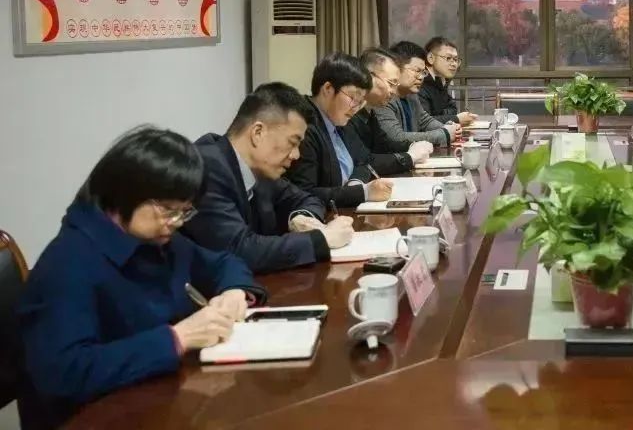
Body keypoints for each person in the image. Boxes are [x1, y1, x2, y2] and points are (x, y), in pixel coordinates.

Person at [18, 127, 264, 429]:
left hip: (160, 398)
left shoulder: (156, 238)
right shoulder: (68, 263)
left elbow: (222, 263)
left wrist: (234, 291)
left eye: (185, 212)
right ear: (126, 192)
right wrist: (177, 339)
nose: (176, 222)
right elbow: (66, 373)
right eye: (168, 210)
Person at [182, 82, 355, 274]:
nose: (296, 155)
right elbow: (238, 250)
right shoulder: (206, 168)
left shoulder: (260, 169)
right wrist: (321, 239)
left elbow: (307, 198)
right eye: (293, 143)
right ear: (258, 132)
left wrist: (301, 217)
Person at [285, 52, 394, 208]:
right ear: (328, 88)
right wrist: (362, 192)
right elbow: (304, 193)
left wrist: (355, 182)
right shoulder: (304, 126)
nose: (356, 108)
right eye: (353, 98)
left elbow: (364, 161)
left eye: (361, 101)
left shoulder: (339, 118)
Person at [348, 47, 434, 177]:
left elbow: (386, 145)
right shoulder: (348, 113)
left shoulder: (369, 112)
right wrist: (409, 157)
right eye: (391, 83)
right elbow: (364, 161)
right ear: (368, 77)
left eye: (396, 85)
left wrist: (414, 145)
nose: (394, 91)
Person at [372, 41, 462, 147]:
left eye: (423, 72)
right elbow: (396, 137)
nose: (421, 77)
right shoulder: (384, 97)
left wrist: (447, 127)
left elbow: (424, 120)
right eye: (416, 71)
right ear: (396, 69)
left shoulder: (411, 95)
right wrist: (445, 134)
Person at [419, 36, 477, 126]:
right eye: (448, 58)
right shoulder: (418, 81)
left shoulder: (441, 80)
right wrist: (456, 119)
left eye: (456, 60)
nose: (454, 64)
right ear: (430, 58)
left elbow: (453, 109)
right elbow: (423, 122)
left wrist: (441, 115)